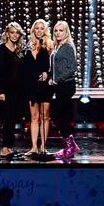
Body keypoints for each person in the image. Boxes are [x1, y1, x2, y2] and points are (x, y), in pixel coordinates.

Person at [0, 21, 26, 159]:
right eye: (12, 32)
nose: (15, 35)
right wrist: (0, 91)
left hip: (16, 91)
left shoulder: (20, 51)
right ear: (7, 33)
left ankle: (9, 147)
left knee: (12, 120)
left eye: (17, 33)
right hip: (4, 91)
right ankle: (4, 148)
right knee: (6, 120)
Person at [48, 20, 80, 159]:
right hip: (60, 85)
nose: (58, 33)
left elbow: (73, 68)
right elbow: (56, 67)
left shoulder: (67, 46)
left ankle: (70, 146)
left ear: (66, 32)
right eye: (56, 30)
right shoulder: (58, 46)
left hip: (66, 85)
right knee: (62, 116)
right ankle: (69, 146)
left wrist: (58, 79)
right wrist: (51, 78)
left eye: (61, 30)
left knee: (57, 115)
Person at [22, 19, 54, 156]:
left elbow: (54, 66)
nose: (39, 30)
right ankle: (34, 147)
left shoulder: (50, 46)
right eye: (37, 28)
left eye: (42, 28)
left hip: (45, 86)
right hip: (31, 87)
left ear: (45, 30)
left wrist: (48, 73)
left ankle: (43, 147)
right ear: (33, 30)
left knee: (45, 116)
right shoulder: (27, 48)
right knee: (34, 117)